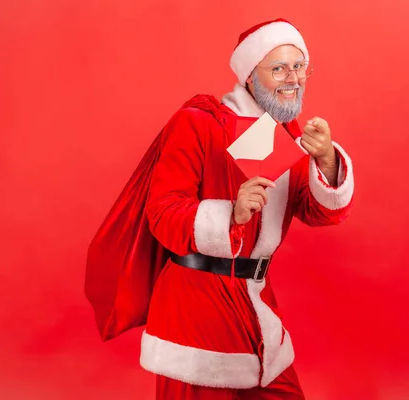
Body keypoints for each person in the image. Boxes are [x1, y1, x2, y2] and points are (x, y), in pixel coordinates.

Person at [85, 17, 354, 400]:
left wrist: (326, 158)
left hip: (256, 305)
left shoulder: (288, 132)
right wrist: (233, 214)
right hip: (196, 312)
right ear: (250, 75)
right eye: (278, 68)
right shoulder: (197, 123)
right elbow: (162, 213)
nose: (293, 77)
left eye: (299, 66)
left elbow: (317, 212)